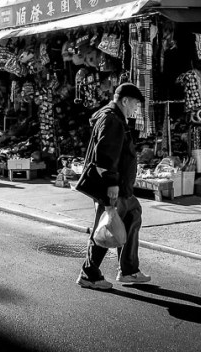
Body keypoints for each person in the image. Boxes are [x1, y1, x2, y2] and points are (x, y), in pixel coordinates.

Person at [74, 83, 150, 291]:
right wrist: (112, 184)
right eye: (135, 104)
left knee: (131, 214)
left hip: (120, 186)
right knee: (107, 227)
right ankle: (89, 274)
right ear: (125, 101)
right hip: (113, 187)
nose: (136, 109)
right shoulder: (112, 120)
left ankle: (128, 269)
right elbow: (105, 155)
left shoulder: (113, 118)